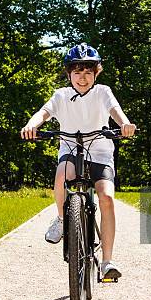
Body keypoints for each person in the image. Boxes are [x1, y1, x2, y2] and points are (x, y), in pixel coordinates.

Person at [20, 43, 136, 279]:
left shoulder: (103, 92)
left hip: (100, 153)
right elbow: (43, 112)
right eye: (77, 72)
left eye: (88, 72)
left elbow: (115, 110)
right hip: (71, 149)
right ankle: (63, 219)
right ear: (69, 74)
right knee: (63, 175)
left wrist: (124, 123)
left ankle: (107, 262)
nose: (82, 78)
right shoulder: (61, 95)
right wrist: (32, 125)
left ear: (96, 73)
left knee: (107, 197)